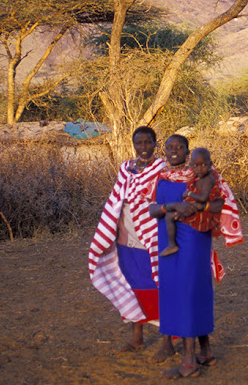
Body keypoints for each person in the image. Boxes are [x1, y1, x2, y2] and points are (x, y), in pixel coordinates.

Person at [149, 135, 243, 379]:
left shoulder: (202, 173)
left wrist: (196, 207)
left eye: (179, 147)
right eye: (170, 147)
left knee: (190, 292)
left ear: (188, 151)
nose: (174, 151)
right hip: (168, 240)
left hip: (193, 238)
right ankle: (206, 352)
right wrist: (173, 207)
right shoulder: (161, 176)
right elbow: (151, 209)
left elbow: (220, 204)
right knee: (175, 291)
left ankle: (189, 362)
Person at [87, 126, 175, 362]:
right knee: (130, 283)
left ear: (156, 144)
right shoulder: (125, 168)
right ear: (133, 145)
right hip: (125, 234)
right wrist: (108, 232)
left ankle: (168, 341)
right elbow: (117, 199)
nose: (144, 148)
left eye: (148, 143)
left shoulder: (162, 168)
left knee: (158, 283)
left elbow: (166, 199)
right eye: (139, 143)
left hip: (151, 236)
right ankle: (137, 338)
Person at [159, 148, 219, 257]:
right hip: (195, 207)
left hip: (199, 211)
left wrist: (189, 194)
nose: (200, 169)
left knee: (169, 217)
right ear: (191, 164)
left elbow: (203, 197)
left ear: (210, 164)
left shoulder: (208, 178)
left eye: (203, 165)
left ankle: (172, 245)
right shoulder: (196, 176)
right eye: (196, 166)